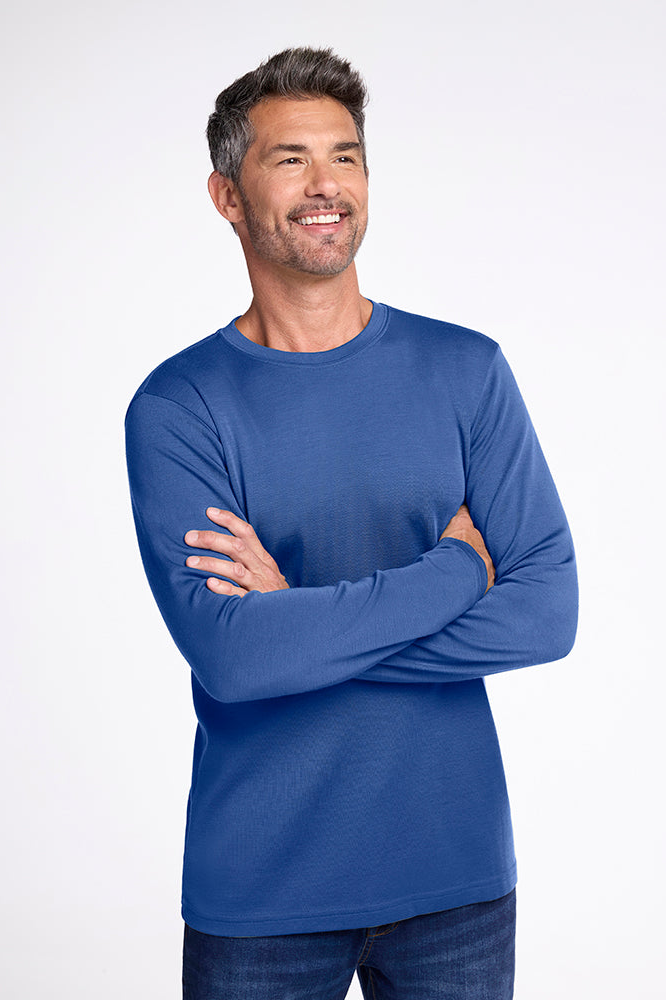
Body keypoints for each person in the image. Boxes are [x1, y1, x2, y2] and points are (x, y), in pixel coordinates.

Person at [125, 46, 578, 1000]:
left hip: (455, 881)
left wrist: (303, 621)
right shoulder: (179, 408)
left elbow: (547, 615)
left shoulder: (467, 371)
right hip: (262, 894)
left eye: (347, 156)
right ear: (227, 196)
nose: (326, 185)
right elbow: (239, 660)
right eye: (290, 160)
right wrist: (453, 575)